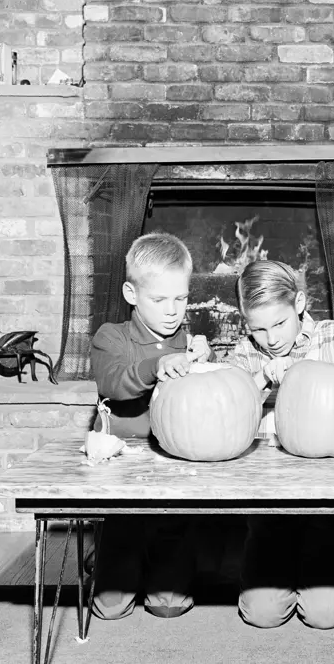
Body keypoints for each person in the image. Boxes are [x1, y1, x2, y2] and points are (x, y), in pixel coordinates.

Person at [231, 259, 334, 629]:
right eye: (258, 328)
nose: (271, 338)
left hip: (330, 494)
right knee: (263, 615)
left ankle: (324, 560)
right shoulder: (246, 352)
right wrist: (261, 378)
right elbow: (222, 410)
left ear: (299, 304)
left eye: (279, 323)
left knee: (325, 616)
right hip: (269, 497)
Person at [89, 232, 215, 620]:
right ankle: (107, 557)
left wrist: (203, 362)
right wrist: (156, 366)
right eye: (159, 299)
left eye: (181, 298)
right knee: (110, 607)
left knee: (169, 604)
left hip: (173, 470)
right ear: (131, 293)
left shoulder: (190, 342)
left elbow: (212, 404)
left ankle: (171, 563)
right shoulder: (112, 337)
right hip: (121, 472)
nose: (172, 310)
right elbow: (114, 381)